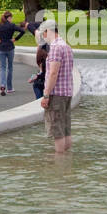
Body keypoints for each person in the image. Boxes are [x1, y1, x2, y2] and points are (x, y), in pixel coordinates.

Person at [40, 19, 74, 153]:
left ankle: (59, 165)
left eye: (43, 33)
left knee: (57, 132)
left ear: (48, 31)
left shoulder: (55, 47)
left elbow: (53, 73)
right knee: (66, 130)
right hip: (67, 93)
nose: (44, 37)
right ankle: (66, 162)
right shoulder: (66, 46)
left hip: (56, 94)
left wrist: (46, 95)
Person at [0, 9, 25, 96]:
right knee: (10, 67)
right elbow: (23, 31)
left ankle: (3, 85)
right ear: (9, 17)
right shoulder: (12, 25)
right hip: (10, 47)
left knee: (2, 68)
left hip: (1, 47)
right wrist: (15, 39)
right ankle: (9, 87)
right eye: (11, 18)